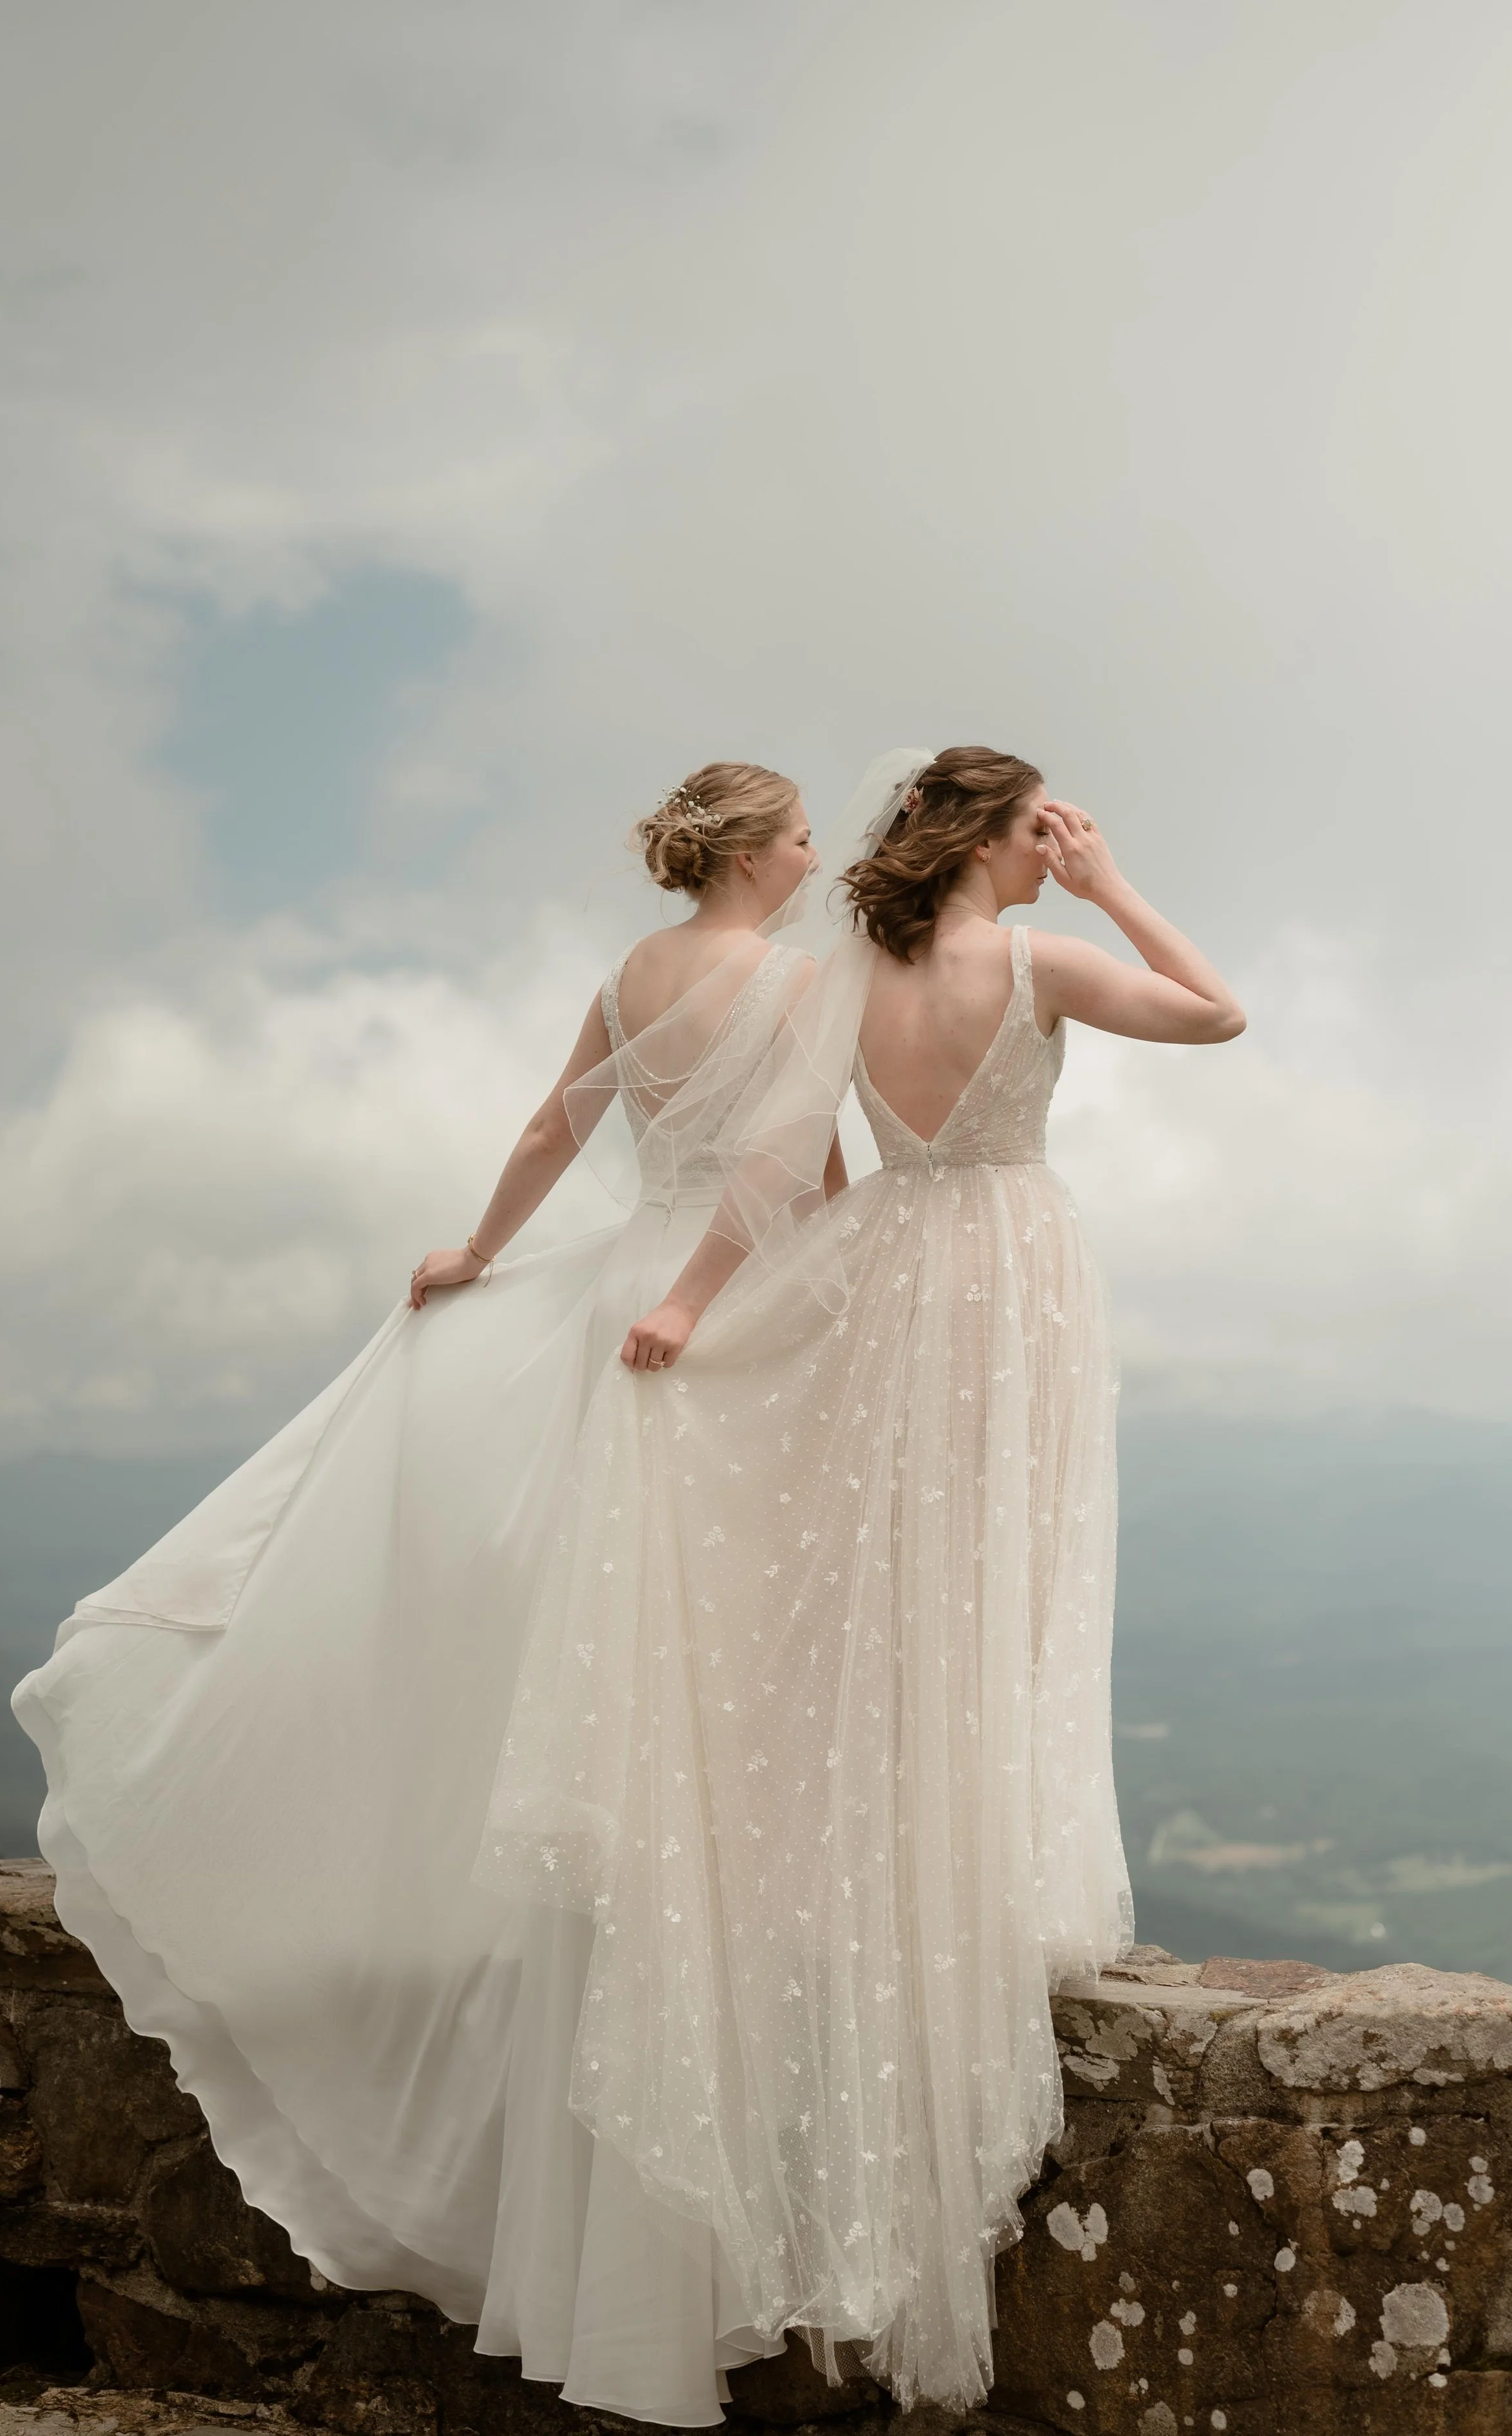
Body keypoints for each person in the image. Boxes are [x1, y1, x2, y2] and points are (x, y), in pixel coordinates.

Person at [12, 763, 833, 2428]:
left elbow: (554, 1126)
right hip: (706, 1316)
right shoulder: (801, 983)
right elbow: (786, 1178)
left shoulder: (631, 973)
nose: (819, 855)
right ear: (753, 851)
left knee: (562, 1671)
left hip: (596, 1301)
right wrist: (789, 1306)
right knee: (687, 1677)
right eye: (804, 832)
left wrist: (475, 1248)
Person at [481, 746, 1246, 2413]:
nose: (1054, 843)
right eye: (1036, 820)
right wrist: (1109, 877)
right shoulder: (1031, 957)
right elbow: (1215, 1013)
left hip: (893, 1264)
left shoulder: (848, 972)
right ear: (988, 833)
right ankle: (972, 1876)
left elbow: (767, 1165)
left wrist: (688, 1303)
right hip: (1013, 1275)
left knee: (898, 1578)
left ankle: (903, 1867)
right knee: (994, 1586)